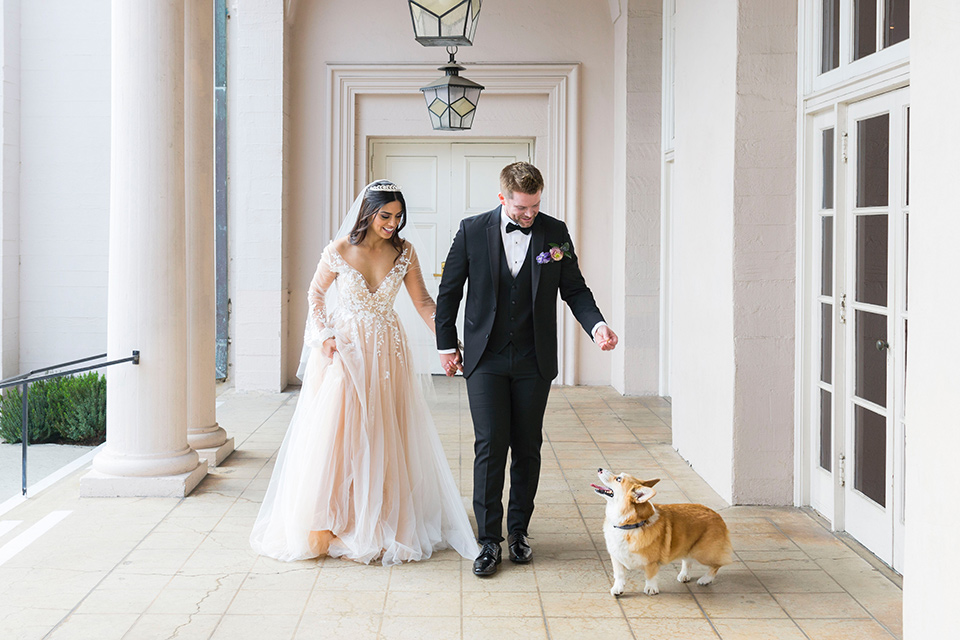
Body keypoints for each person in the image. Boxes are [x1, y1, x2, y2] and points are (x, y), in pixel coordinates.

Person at [250, 180, 479, 565]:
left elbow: (423, 301)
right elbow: (315, 294)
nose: (392, 223)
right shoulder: (340, 250)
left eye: (398, 217)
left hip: (388, 351)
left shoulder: (404, 252)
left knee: (383, 428)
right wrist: (324, 336)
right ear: (368, 213)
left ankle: (380, 514)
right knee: (342, 429)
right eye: (386, 216)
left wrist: (449, 341)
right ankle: (334, 520)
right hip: (346, 349)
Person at [436, 162, 618, 576]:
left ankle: (518, 533)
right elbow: (449, 293)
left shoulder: (554, 232)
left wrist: (597, 325)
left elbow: (574, 288)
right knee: (490, 446)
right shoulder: (471, 230)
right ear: (503, 198)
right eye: (521, 208)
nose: (530, 215)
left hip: (534, 359)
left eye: (535, 206)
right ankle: (488, 540)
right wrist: (447, 346)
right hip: (485, 358)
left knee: (527, 446)